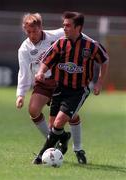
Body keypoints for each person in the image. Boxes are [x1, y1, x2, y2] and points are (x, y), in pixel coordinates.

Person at [34, 11, 109, 165]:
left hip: (78, 90)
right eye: (64, 25)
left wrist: (100, 82)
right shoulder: (60, 43)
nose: (64, 28)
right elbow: (46, 60)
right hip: (59, 88)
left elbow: (105, 60)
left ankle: (42, 155)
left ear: (78, 27)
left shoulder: (91, 45)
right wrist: (41, 72)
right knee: (53, 127)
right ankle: (66, 140)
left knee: (59, 123)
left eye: (68, 26)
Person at [16, 13, 90, 163]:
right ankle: (57, 140)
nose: (32, 35)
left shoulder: (55, 35)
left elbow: (78, 35)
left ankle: (78, 148)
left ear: (41, 28)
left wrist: (91, 44)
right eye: (28, 32)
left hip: (60, 81)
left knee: (70, 116)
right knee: (33, 110)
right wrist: (20, 94)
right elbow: (23, 72)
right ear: (25, 30)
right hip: (43, 83)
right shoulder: (24, 49)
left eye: (34, 31)